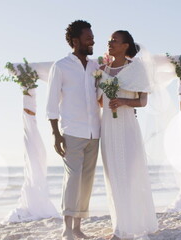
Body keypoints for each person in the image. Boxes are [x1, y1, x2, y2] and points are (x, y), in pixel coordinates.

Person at [97, 30, 158, 240]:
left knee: (131, 173)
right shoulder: (101, 70)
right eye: (109, 40)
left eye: (115, 40)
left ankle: (137, 223)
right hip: (108, 125)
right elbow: (99, 100)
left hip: (127, 125)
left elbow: (142, 102)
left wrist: (123, 101)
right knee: (113, 175)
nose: (110, 43)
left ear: (125, 45)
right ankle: (119, 227)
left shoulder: (137, 68)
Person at [46, 20, 100, 240]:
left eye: (92, 38)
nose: (92, 41)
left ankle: (78, 228)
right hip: (72, 132)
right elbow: (51, 103)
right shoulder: (60, 66)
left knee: (86, 181)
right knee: (72, 180)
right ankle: (67, 230)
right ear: (76, 41)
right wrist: (56, 134)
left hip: (94, 132)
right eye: (88, 38)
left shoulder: (96, 66)